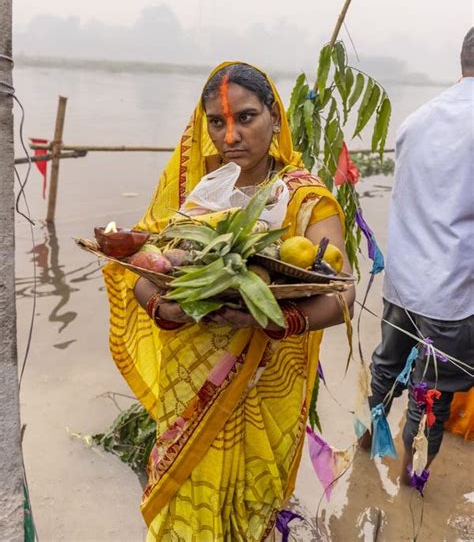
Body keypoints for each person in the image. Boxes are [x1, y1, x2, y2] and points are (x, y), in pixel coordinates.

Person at [103, 62, 355, 541]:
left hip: (262, 378)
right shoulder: (197, 190)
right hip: (189, 375)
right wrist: (161, 308)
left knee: (247, 504)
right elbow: (141, 263)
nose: (231, 135)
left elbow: (342, 292)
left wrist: (278, 319)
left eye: (246, 117)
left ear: (275, 119)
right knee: (184, 500)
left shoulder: (302, 199)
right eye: (217, 122)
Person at [361, 29, 474, 482]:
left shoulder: (419, 118)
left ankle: (369, 442)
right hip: (451, 292)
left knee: (387, 367)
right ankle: (412, 482)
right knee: (433, 395)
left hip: (404, 280)